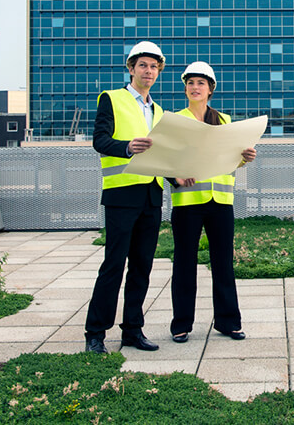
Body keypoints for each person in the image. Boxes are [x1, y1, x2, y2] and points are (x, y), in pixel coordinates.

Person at [84, 41, 167, 354]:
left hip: (151, 196)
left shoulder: (158, 111)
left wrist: (175, 176)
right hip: (121, 195)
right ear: (131, 69)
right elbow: (100, 140)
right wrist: (126, 147)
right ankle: (95, 333)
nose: (148, 71)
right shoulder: (112, 99)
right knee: (114, 265)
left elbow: (161, 154)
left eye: (153, 66)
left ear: (158, 72)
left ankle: (132, 329)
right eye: (143, 65)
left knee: (142, 267)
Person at [167, 61, 256, 343]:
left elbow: (232, 159)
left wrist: (245, 158)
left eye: (201, 83)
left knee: (223, 264)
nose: (195, 88)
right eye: (191, 83)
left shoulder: (225, 121)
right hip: (187, 203)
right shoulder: (175, 120)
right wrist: (176, 175)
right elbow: (163, 158)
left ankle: (228, 322)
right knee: (183, 264)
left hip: (220, 202)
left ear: (210, 89)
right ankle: (181, 324)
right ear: (185, 88)